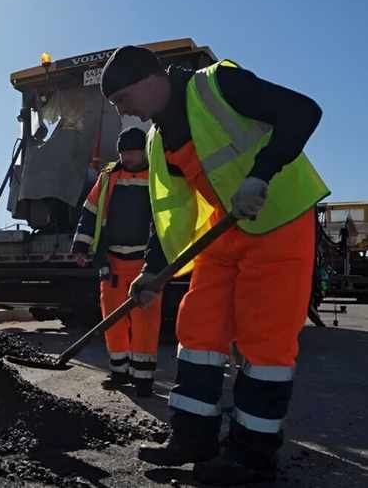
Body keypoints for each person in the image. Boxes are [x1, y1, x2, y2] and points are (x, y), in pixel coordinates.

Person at [100, 46, 328, 485]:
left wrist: (260, 174)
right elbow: (172, 211)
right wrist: (154, 269)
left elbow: (303, 111)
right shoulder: (157, 138)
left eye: (122, 99)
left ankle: (252, 457)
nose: (123, 111)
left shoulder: (217, 85)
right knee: (199, 333)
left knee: (264, 346)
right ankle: (192, 438)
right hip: (222, 235)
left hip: (277, 222)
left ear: (151, 80)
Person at [71, 127, 160, 397]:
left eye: (132, 153)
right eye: (124, 153)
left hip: (147, 266)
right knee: (113, 321)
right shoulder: (108, 177)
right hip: (112, 264)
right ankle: (119, 372)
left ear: (143, 151)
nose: (128, 158)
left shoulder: (157, 176)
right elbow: (90, 212)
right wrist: (81, 245)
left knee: (146, 323)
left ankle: (143, 379)